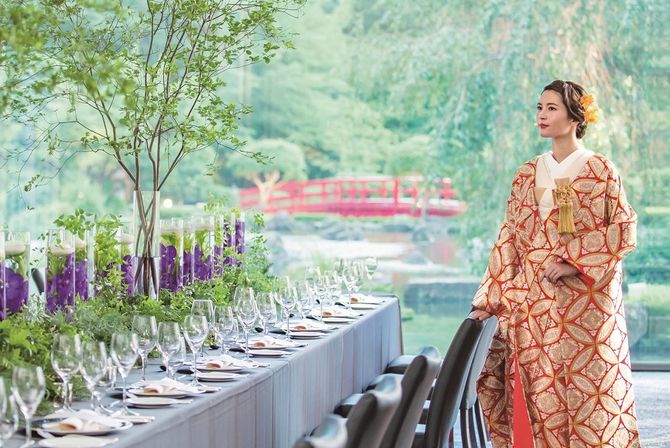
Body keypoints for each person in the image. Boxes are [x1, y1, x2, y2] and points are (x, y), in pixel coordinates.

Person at [469, 80, 641, 448]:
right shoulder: (526, 173)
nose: (541, 116)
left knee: (591, 392)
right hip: (535, 300)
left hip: (587, 305)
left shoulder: (600, 169)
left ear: (576, 117)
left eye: (551, 108)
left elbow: (623, 228)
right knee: (539, 389)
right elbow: (509, 238)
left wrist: (573, 260)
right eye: (539, 108)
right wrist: (490, 300)